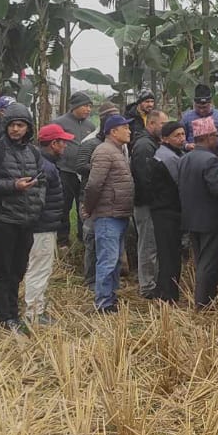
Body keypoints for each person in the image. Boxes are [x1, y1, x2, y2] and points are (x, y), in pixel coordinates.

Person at [0, 102, 47, 333]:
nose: (16, 130)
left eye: (21, 125)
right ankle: (4, 318)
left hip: (25, 221)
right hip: (1, 220)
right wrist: (12, 186)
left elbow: (42, 181)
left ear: (28, 128)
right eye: (13, 125)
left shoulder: (33, 152)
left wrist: (37, 204)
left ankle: (13, 314)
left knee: (18, 269)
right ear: (6, 126)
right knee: (2, 270)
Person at [178, 117, 218, 309]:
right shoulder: (210, 160)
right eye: (216, 136)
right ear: (209, 137)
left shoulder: (185, 158)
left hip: (193, 218)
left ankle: (203, 300)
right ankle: (204, 304)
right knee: (210, 264)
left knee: (201, 259)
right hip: (211, 220)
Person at [83, 114, 134, 313]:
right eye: (125, 128)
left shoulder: (118, 150)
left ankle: (111, 298)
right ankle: (103, 302)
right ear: (113, 131)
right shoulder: (104, 151)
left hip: (118, 213)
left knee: (114, 261)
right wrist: (88, 208)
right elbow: (94, 184)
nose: (129, 131)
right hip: (107, 214)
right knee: (108, 259)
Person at [25, 124, 70, 325]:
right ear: (54, 144)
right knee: (39, 269)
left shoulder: (38, 162)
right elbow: (38, 201)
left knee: (35, 267)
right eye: (63, 142)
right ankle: (35, 314)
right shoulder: (47, 168)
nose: (66, 146)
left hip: (38, 226)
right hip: (42, 228)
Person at [77, 102, 121, 287]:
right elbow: (79, 165)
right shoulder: (91, 143)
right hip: (90, 199)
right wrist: (102, 168)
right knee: (92, 242)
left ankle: (108, 282)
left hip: (110, 202)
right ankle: (90, 281)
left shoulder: (117, 143)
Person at [130, 109, 168, 299]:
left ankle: (153, 282)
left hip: (150, 203)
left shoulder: (151, 143)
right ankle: (147, 287)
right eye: (162, 124)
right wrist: (156, 200)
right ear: (151, 124)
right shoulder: (145, 146)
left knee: (152, 244)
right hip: (146, 204)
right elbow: (145, 179)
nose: (165, 127)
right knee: (148, 245)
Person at [51, 91, 95, 245]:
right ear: (75, 106)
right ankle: (62, 239)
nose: (88, 109)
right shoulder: (60, 123)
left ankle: (83, 238)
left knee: (83, 206)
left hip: (83, 173)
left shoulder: (90, 125)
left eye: (90, 106)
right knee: (64, 205)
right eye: (85, 106)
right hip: (65, 171)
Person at [151, 120, 187, 302]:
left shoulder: (175, 153)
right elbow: (182, 184)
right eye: (177, 136)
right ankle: (167, 296)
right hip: (166, 213)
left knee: (171, 254)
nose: (182, 138)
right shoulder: (167, 158)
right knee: (169, 256)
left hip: (169, 211)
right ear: (165, 139)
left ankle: (164, 292)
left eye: (183, 134)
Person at [182, 84, 218, 151]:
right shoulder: (187, 117)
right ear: (194, 104)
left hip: (215, 155)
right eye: (198, 107)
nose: (201, 110)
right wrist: (187, 145)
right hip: (193, 154)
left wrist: (213, 140)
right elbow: (180, 139)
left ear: (211, 103)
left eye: (204, 107)